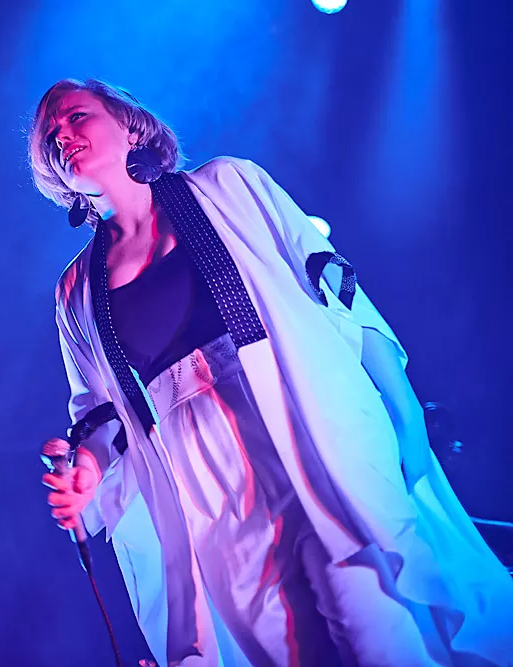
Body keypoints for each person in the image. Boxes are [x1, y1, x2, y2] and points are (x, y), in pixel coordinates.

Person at [30, 79, 513, 666]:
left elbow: (335, 291)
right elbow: (100, 412)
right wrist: (87, 466)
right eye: (50, 135)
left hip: (307, 427)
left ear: (130, 124)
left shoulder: (227, 185)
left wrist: (404, 410)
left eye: (76, 117)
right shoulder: (76, 291)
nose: (62, 136)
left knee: (378, 629)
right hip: (205, 483)